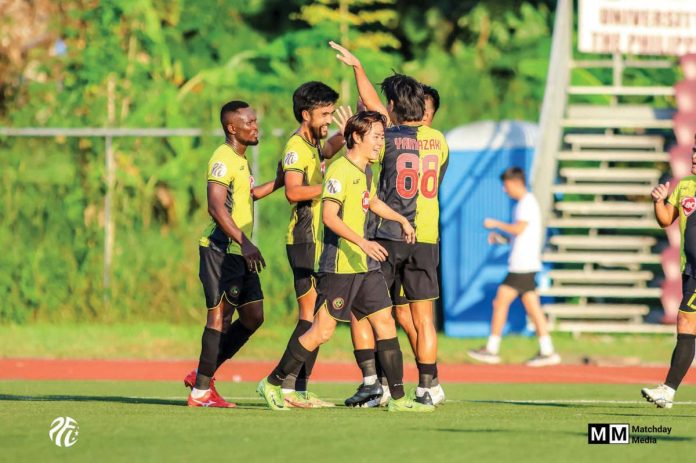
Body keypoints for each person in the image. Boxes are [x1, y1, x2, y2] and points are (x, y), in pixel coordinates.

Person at [257, 111, 434, 413]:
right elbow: (328, 217)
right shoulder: (339, 171)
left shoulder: (366, 171)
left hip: (366, 267)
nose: (381, 142)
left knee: (385, 324)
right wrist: (363, 242)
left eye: (381, 136)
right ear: (357, 137)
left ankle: (399, 398)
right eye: (377, 136)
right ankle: (272, 382)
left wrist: (401, 220)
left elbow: (372, 201)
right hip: (340, 267)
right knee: (321, 332)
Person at [330, 41, 449, 406]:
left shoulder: (389, 139)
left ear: (393, 109)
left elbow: (371, 107)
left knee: (367, 310)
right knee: (423, 317)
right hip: (426, 237)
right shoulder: (440, 141)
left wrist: (358, 68)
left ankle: (376, 383)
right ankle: (429, 387)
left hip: (388, 235)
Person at [184, 100, 284, 407]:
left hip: (239, 251)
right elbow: (215, 206)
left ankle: (203, 372)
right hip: (221, 249)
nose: (256, 126)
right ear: (232, 128)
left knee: (253, 316)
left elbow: (248, 196)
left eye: (255, 121)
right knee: (220, 316)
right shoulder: (223, 158)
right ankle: (201, 391)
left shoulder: (241, 160)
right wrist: (245, 241)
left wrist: (279, 182)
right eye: (249, 122)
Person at [278, 81, 351, 408]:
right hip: (304, 240)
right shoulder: (295, 147)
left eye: (331, 113)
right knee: (310, 317)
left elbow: (327, 149)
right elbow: (293, 191)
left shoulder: (312, 145)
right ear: (306, 114)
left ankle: (301, 389)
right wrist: (331, 188)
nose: (328, 120)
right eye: (324, 114)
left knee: (319, 318)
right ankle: (283, 386)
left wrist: (349, 133)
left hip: (319, 241)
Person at [467, 167, 560, 367]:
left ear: (517, 183)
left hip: (522, 265)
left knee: (500, 301)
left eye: (507, 185)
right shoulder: (524, 204)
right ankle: (547, 350)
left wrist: (495, 224)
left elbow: (519, 228)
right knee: (532, 308)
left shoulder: (526, 203)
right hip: (524, 263)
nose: (504, 189)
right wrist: (502, 238)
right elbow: (519, 234)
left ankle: (492, 349)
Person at [642, 139, 696, 409]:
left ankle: (668, 390)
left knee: (687, 322)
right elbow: (665, 219)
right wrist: (659, 201)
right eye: (695, 151)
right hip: (691, 269)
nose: (695, 157)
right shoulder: (685, 185)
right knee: (686, 325)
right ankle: (668, 391)